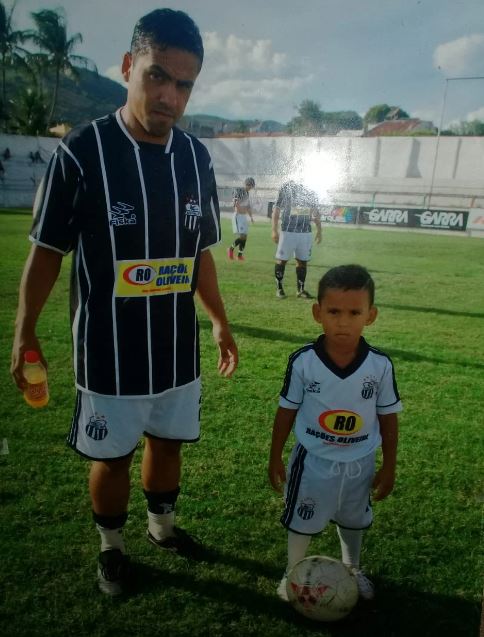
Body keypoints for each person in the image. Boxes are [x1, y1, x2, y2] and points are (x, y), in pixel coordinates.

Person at [11, 8, 238, 597]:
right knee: (111, 458)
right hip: (108, 351)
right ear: (128, 67)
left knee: (168, 444)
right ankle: (111, 549)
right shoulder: (82, 153)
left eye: (184, 84)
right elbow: (46, 253)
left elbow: (201, 253)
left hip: (176, 347)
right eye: (157, 76)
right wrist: (23, 332)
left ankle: (162, 527)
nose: (169, 96)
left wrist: (217, 322)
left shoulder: (196, 158)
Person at [268, 264, 402, 601]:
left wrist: (389, 465)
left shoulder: (380, 366)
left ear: (370, 316)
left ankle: (352, 568)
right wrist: (275, 457)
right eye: (334, 311)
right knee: (303, 519)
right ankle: (293, 571)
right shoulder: (303, 362)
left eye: (354, 312)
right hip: (313, 460)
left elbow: (388, 418)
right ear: (318, 313)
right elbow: (286, 411)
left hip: (360, 461)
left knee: (354, 518)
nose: (343, 321)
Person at [271, 180, 322, 299]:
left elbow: (315, 211)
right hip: (288, 231)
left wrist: (319, 230)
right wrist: (274, 230)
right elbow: (277, 209)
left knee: (302, 261)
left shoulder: (312, 188)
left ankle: (301, 290)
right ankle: (279, 289)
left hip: (305, 233)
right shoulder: (286, 187)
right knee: (282, 260)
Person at [227, 177, 255, 261]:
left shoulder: (247, 193)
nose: (250, 187)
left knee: (245, 237)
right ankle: (230, 249)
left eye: (251, 186)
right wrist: (241, 211)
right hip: (238, 216)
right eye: (249, 185)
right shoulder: (239, 191)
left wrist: (251, 217)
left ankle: (239, 255)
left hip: (243, 217)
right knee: (242, 236)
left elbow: (248, 207)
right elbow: (236, 204)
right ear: (246, 184)